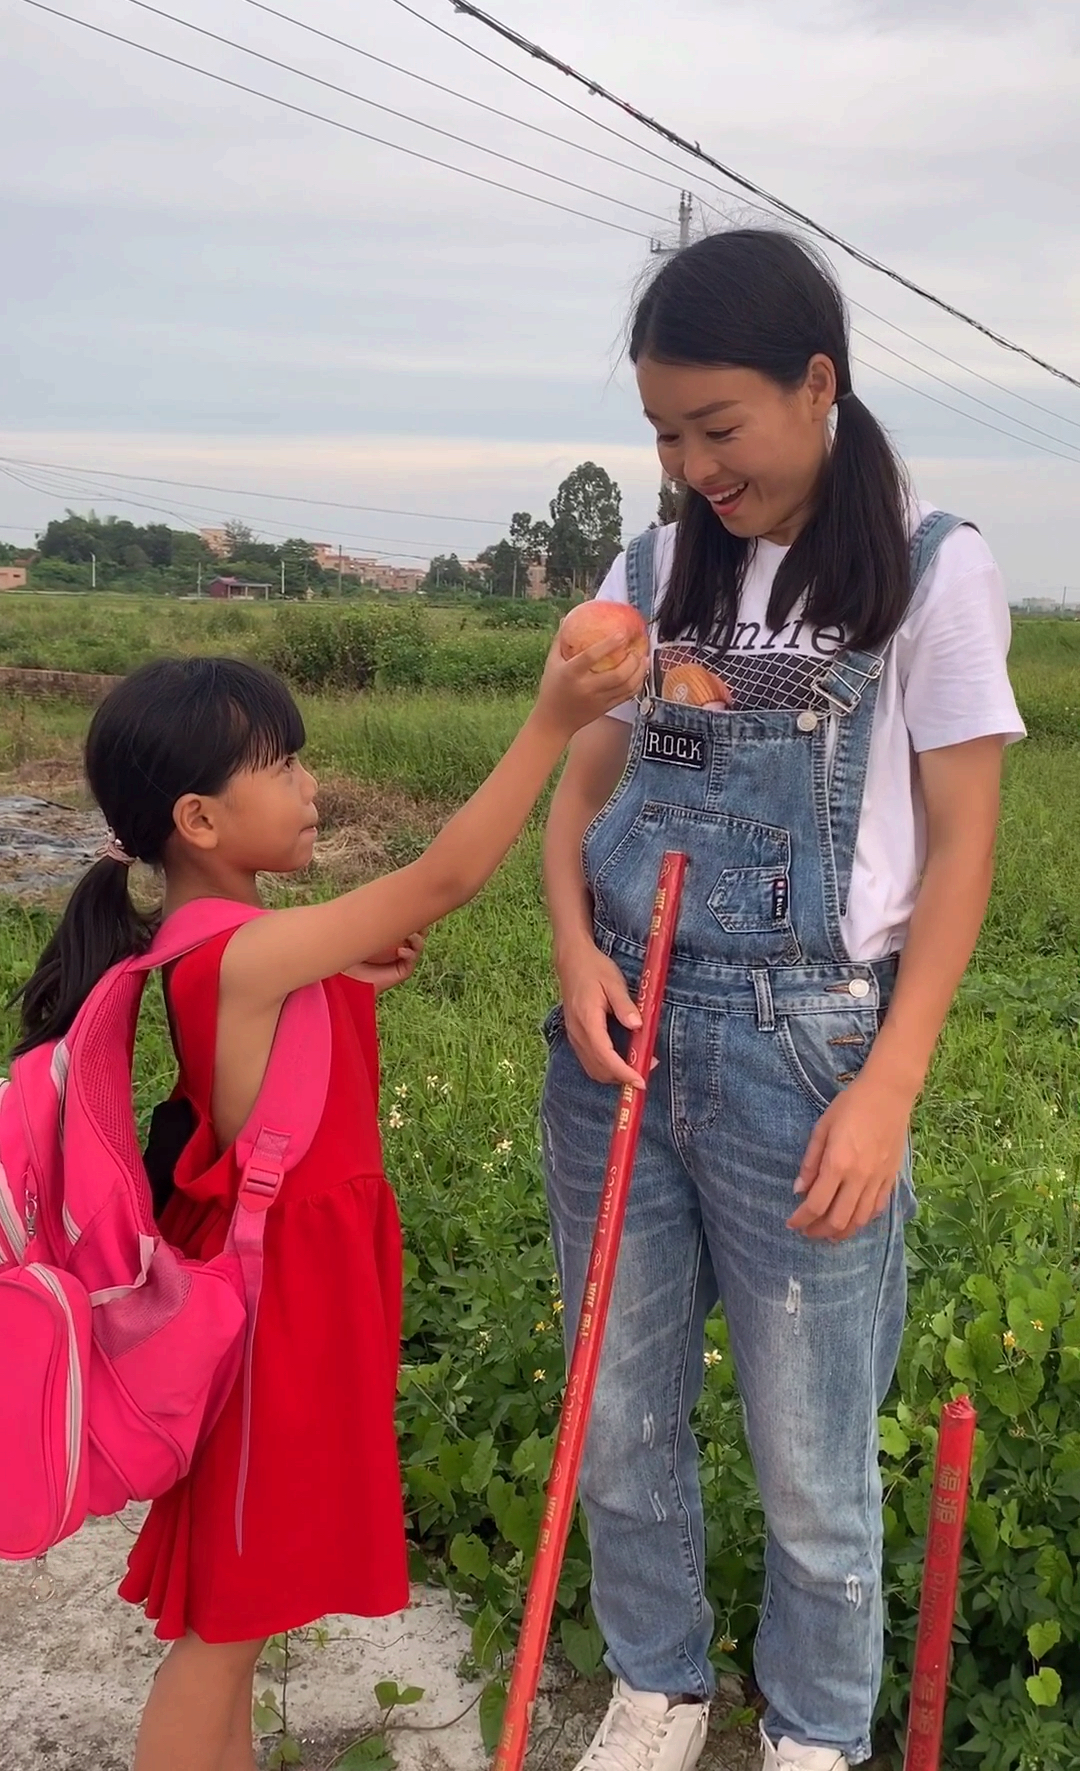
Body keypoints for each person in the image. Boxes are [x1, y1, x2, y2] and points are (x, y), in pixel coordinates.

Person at [541, 229, 1024, 1771]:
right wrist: (569, 944)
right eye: (667, 436)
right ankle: (661, 1685)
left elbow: (961, 855)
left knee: (815, 1455)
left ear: (819, 385)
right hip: (618, 1034)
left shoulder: (934, 573)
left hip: (805, 1047)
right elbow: (578, 788)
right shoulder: (651, 571)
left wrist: (888, 1086)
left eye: (719, 428)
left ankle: (812, 1730)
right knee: (615, 1417)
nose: (695, 468)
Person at [14, 635, 647, 1771]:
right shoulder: (243, 959)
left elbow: (285, 1023)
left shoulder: (241, 947)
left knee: (242, 1624)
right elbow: (443, 881)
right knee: (224, 1631)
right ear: (200, 821)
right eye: (287, 768)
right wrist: (551, 721)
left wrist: (337, 977)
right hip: (279, 1316)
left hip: (303, 1296)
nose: (313, 789)